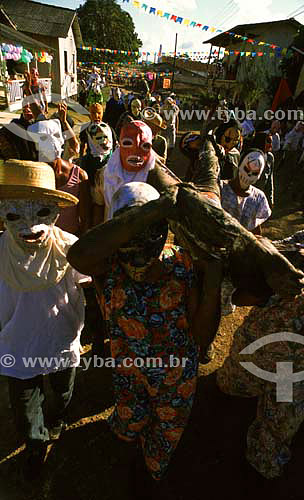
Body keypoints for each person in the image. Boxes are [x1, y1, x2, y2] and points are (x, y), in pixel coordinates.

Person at [66, 181, 222, 498]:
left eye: (153, 227)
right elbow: (78, 255)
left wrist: (212, 285)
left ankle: (151, 474)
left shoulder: (182, 263)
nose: (142, 239)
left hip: (175, 376)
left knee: (164, 434)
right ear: (117, 226)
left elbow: (202, 337)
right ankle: (131, 454)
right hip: (128, 371)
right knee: (130, 420)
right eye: (131, 224)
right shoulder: (106, 264)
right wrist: (156, 208)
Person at [0, 159, 90, 480]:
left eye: (40, 213)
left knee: (61, 394)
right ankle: (35, 448)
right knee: (26, 414)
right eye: (14, 215)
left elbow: (100, 283)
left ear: (54, 209)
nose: (29, 226)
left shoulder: (72, 249)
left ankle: (56, 420)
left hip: (61, 343)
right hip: (16, 350)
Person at [216, 228, 304, 479]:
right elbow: (261, 247)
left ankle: (257, 473)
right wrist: (287, 256)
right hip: (259, 344)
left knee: (272, 441)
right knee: (228, 387)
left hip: (296, 365)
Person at [27, 106, 91, 235]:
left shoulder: (79, 176)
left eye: (54, 137)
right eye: (43, 139)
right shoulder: (32, 177)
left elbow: (85, 218)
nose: (50, 144)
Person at [219, 149, 271, 235]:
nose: (249, 175)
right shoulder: (220, 187)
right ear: (240, 165)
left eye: (255, 173)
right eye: (246, 169)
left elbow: (255, 229)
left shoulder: (259, 199)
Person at [251, 131, 275, 208]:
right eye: (268, 141)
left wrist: (270, 198)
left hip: (259, 195)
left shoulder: (270, 157)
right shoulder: (251, 156)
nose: (270, 145)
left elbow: (270, 179)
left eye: (271, 142)